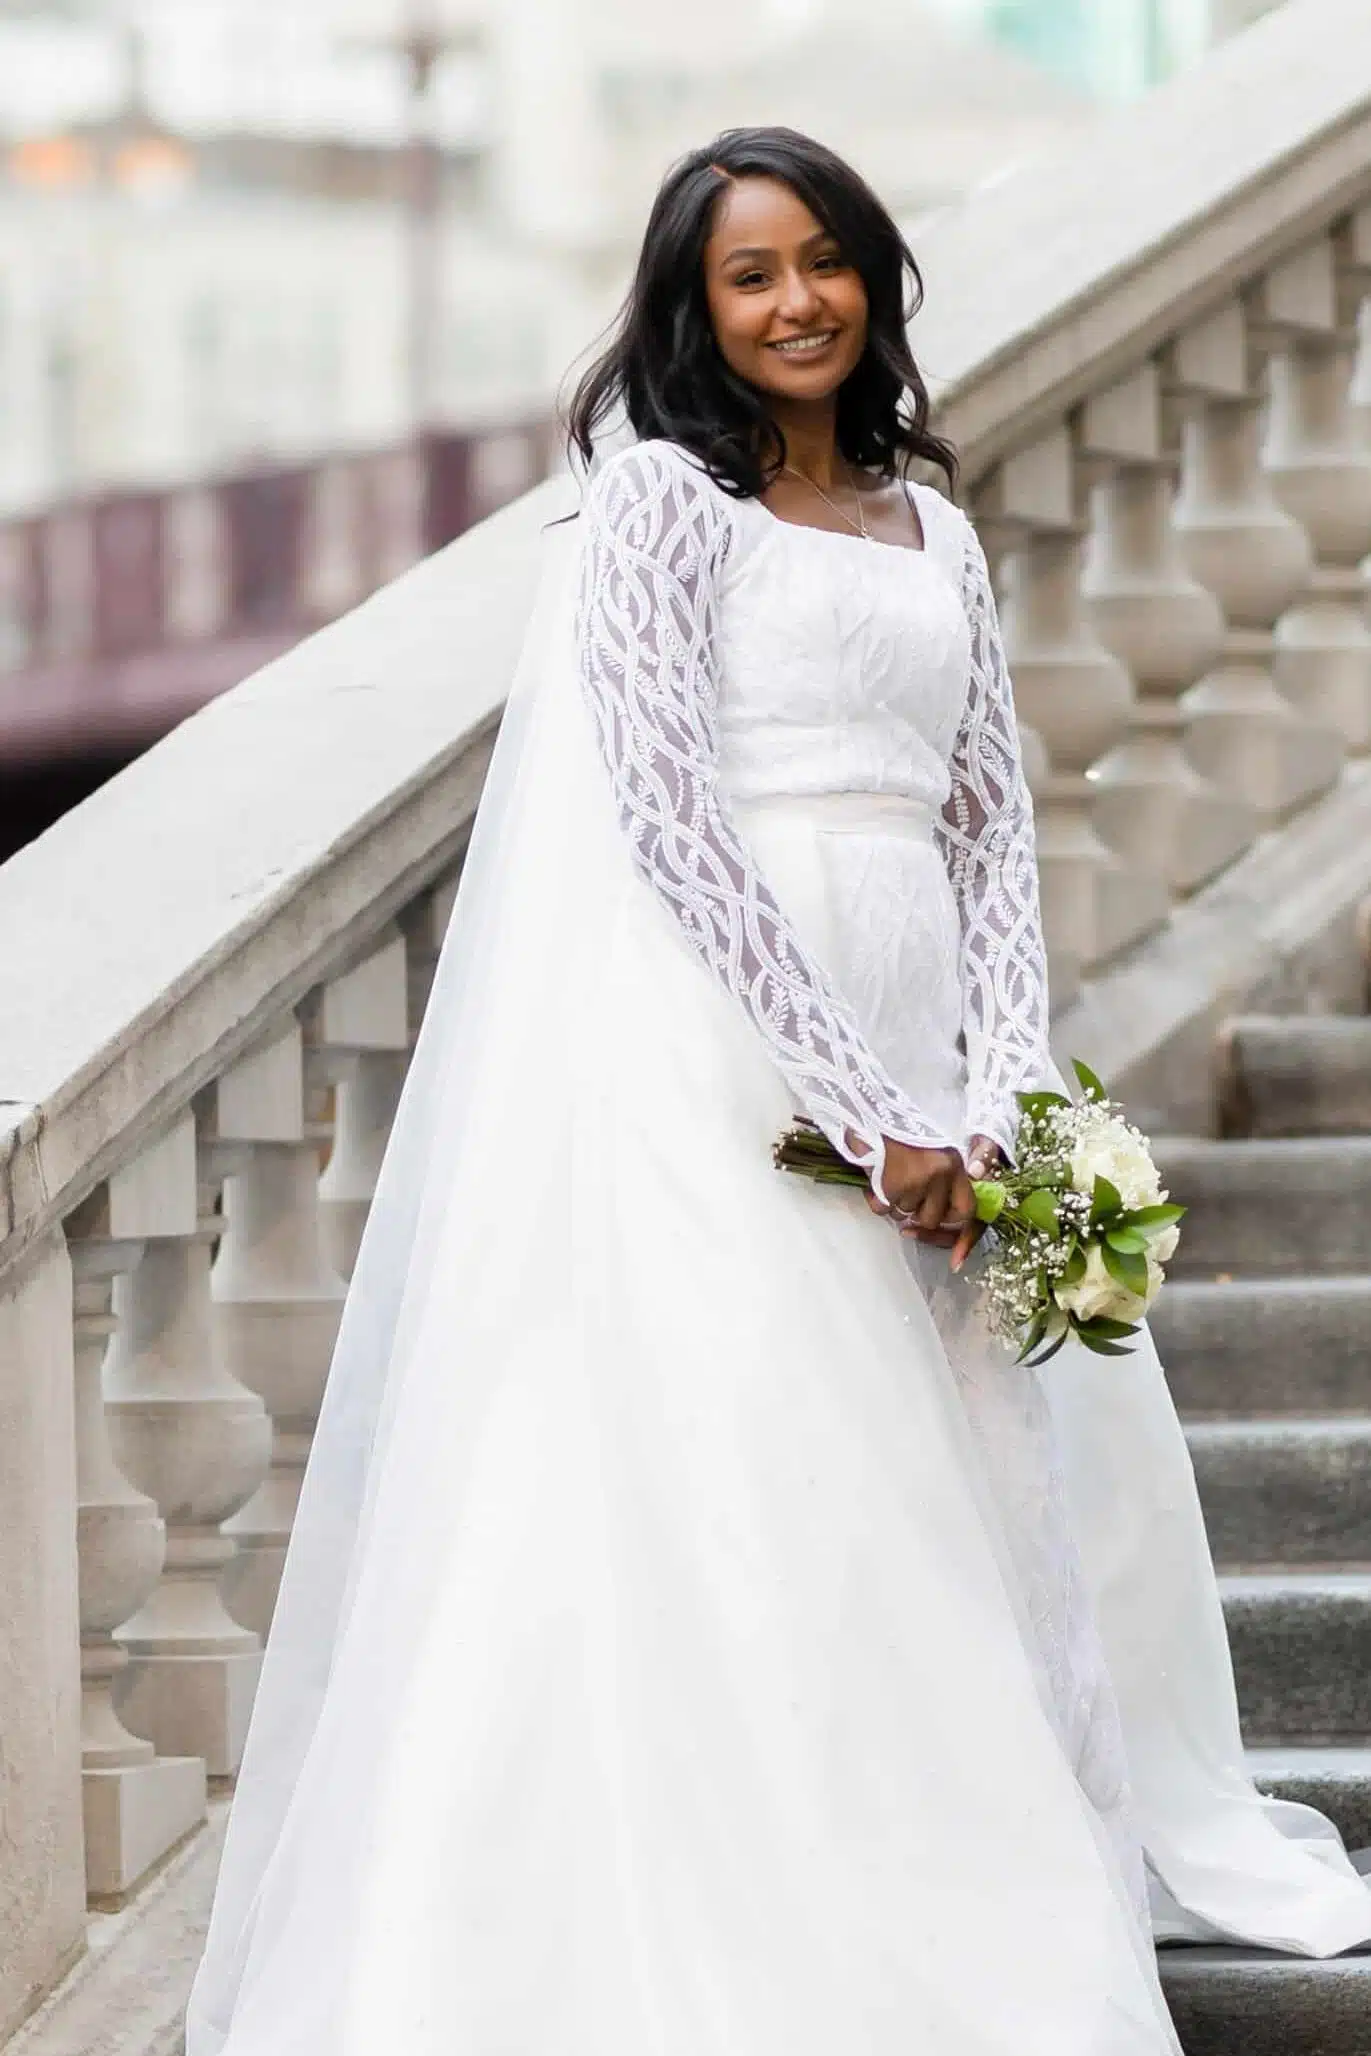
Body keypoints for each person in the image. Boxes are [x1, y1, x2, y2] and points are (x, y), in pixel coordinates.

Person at [186, 127, 1371, 2056]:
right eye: (751, 275)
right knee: (786, 1469)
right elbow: (662, 815)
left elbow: (990, 826)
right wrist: (849, 1100)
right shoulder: (658, 503)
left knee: (994, 1471)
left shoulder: (931, 519)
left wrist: (988, 1097)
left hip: (927, 1020)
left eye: (824, 261)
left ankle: (1004, 1857)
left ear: (873, 278)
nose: (796, 300)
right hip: (731, 1045)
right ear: (693, 306)